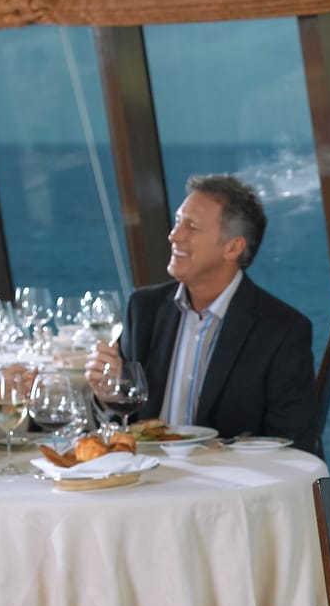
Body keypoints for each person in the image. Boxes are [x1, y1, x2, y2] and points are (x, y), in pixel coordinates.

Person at [91, 174, 317, 450]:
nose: (174, 235)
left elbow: (291, 444)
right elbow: (123, 423)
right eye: (177, 222)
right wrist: (107, 395)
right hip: (148, 471)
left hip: (229, 475)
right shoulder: (144, 308)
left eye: (192, 227)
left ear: (232, 247)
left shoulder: (280, 330)